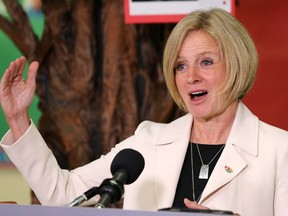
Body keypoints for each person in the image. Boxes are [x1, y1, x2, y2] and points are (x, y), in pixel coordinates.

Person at [0, 8, 288, 216]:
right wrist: (17, 118)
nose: (191, 77)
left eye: (207, 62)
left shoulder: (280, 151)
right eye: (181, 65)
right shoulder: (147, 142)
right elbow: (62, 194)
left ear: (237, 65)